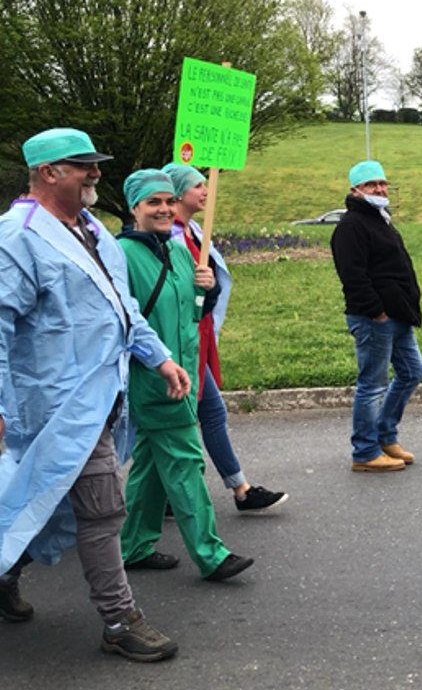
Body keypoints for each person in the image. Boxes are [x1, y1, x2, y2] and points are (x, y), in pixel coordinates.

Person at [0, 128, 187, 661]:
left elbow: (122, 310)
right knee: (103, 508)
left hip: (104, 396)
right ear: (47, 173)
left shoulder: (96, 233)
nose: (96, 173)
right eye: (82, 165)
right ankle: (119, 619)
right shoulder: (17, 236)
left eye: (96, 163)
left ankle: (5, 572)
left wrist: (160, 357)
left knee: (50, 504)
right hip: (54, 406)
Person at [115, 169, 254, 583]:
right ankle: (211, 555)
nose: (163, 209)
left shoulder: (177, 252)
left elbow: (192, 313)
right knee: (185, 460)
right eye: (152, 202)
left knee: (153, 467)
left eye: (168, 201)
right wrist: (158, 364)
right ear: (134, 208)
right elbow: (125, 321)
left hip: (186, 372)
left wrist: (206, 289)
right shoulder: (121, 254)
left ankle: (133, 545)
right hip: (155, 379)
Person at [160, 162, 286, 512]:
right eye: (198, 185)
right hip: (177, 342)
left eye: (205, 183)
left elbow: (202, 294)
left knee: (198, 415)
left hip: (196, 337)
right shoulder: (168, 237)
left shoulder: (193, 231)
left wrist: (209, 288)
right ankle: (234, 490)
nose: (205, 191)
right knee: (193, 417)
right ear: (177, 192)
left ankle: (229, 490)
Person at [331, 160, 422, 472]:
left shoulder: (379, 220)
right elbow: (353, 277)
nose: (380, 189)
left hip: (398, 316)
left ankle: (385, 435)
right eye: (372, 184)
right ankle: (365, 451)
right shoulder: (351, 226)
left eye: (383, 183)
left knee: (413, 371)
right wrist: (377, 311)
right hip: (375, 319)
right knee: (372, 384)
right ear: (355, 190)